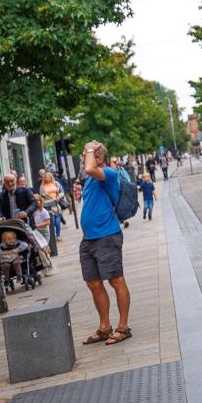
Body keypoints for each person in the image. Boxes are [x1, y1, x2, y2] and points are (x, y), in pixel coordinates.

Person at [80, 141, 133, 346]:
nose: (84, 157)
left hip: (107, 237)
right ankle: (104, 327)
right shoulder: (90, 180)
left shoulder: (108, 174)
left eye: (86, 154)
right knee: (93, 283)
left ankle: (123, 327)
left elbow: (90, 167)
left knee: (116, 280)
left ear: (98, 157)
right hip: (89, 239)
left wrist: (91, 149)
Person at [39, 171, 66, 243]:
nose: (47, 178)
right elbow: (41, 197)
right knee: (52, 222)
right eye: (46, 177)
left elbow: (62, 191)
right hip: (48, 206)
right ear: (44, 179)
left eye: (48, 177)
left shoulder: (56, 183)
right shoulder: (42, 187)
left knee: (58, 221)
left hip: (57, 205)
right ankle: (53, 235)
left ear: (51, 177)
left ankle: (58, 235)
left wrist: (59, 197)